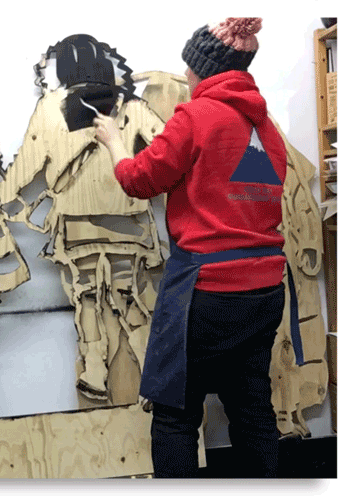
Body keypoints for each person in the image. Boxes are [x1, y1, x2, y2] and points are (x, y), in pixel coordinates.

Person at [93, 18, 304, 478]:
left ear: (202, 70)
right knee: (250, 407)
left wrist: (114, 141)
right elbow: (237, 195)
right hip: (265, 290)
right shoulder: (266, 128)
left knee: (176, 414)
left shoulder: (196, 116)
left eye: (189, 68)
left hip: (208, 292)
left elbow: (138, 179)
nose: (185, 76)